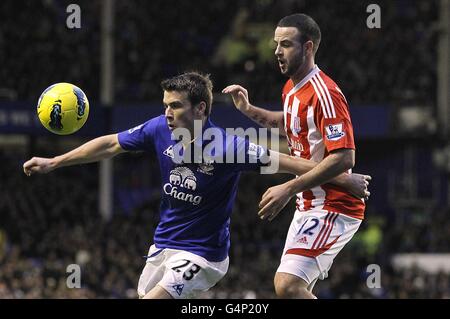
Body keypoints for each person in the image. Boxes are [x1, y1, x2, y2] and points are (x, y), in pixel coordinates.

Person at [24, 72, 369, 299]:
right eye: (165, 106)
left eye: (175, 106)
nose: (167, 113)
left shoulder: (229, 147)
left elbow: (291, 163)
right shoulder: (158, 129)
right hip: (163, 245)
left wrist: (343, 178)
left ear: (201, 108)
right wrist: (55, 161)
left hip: (203, 255)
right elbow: (110, 144)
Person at [223, 14, 368, 298]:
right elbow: (290, 122)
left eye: (286, 44)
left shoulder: (325, 93)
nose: (277, 51)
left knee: (287, 285)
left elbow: (344, 157)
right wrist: (249, 110)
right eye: (276, 44)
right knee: (294, 289)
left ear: (308, 47)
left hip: (334, 205)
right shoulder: (291, 87)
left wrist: (288, 187)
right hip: (309, 203)